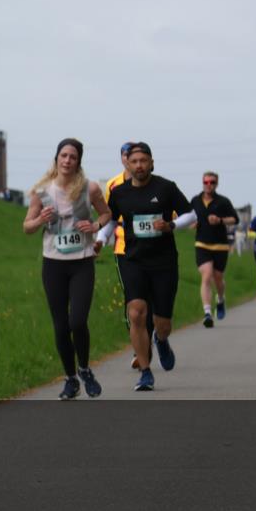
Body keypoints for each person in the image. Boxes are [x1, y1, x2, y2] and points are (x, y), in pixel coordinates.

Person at [97, 142, 196, 392]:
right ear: (127, 164)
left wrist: (171, 225)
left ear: (152, 163)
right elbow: (111, 222)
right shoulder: (119, 193)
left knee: (162, 322)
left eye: (143, 161)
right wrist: (100, 239)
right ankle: (145, 371)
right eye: (134, 161)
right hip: (133, 259)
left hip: (163, 261)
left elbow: (190, 214)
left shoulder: (166, 187)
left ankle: (161, 340)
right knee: (136, 313)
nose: (139, 165)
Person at [24, 139, 112, 400]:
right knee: (61, 325)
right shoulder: (41, 191)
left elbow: (106, 214)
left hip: (82, 262)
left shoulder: (90, 188)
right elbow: (27, 227)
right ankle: (71, 379)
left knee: (78, 321)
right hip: (53, 264)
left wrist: (95, 227)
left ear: (78, 162)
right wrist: (40, 220)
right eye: (63, 155)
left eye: (72, 157)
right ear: (56, 159)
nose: (67, 160)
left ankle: (84, 369)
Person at [105, 142, 155, 370]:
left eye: (134, 156)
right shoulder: (113, 185)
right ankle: (138, 349)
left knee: (149, 303)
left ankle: (150, 339)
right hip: (123, 248)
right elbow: (109, 214)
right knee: (133, 302)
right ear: (122, 159)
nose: (129, 160)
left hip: (151, 248)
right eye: (126, 156)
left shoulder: (155, 185)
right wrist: (101, 236)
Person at [190, 171, 238, 328]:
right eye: (206, 182)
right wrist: (193, 224)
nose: (208, 185)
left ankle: (221, 299)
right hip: (202, 244)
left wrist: (220, 220)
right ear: (202, 183)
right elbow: (190, 218)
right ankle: (207, 313)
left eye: (212, 182)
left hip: (220, 245)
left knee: (218, 278)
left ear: (216, 184)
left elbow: (234, 219)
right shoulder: (195, 201)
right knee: (207, 275)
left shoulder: (223, 201)